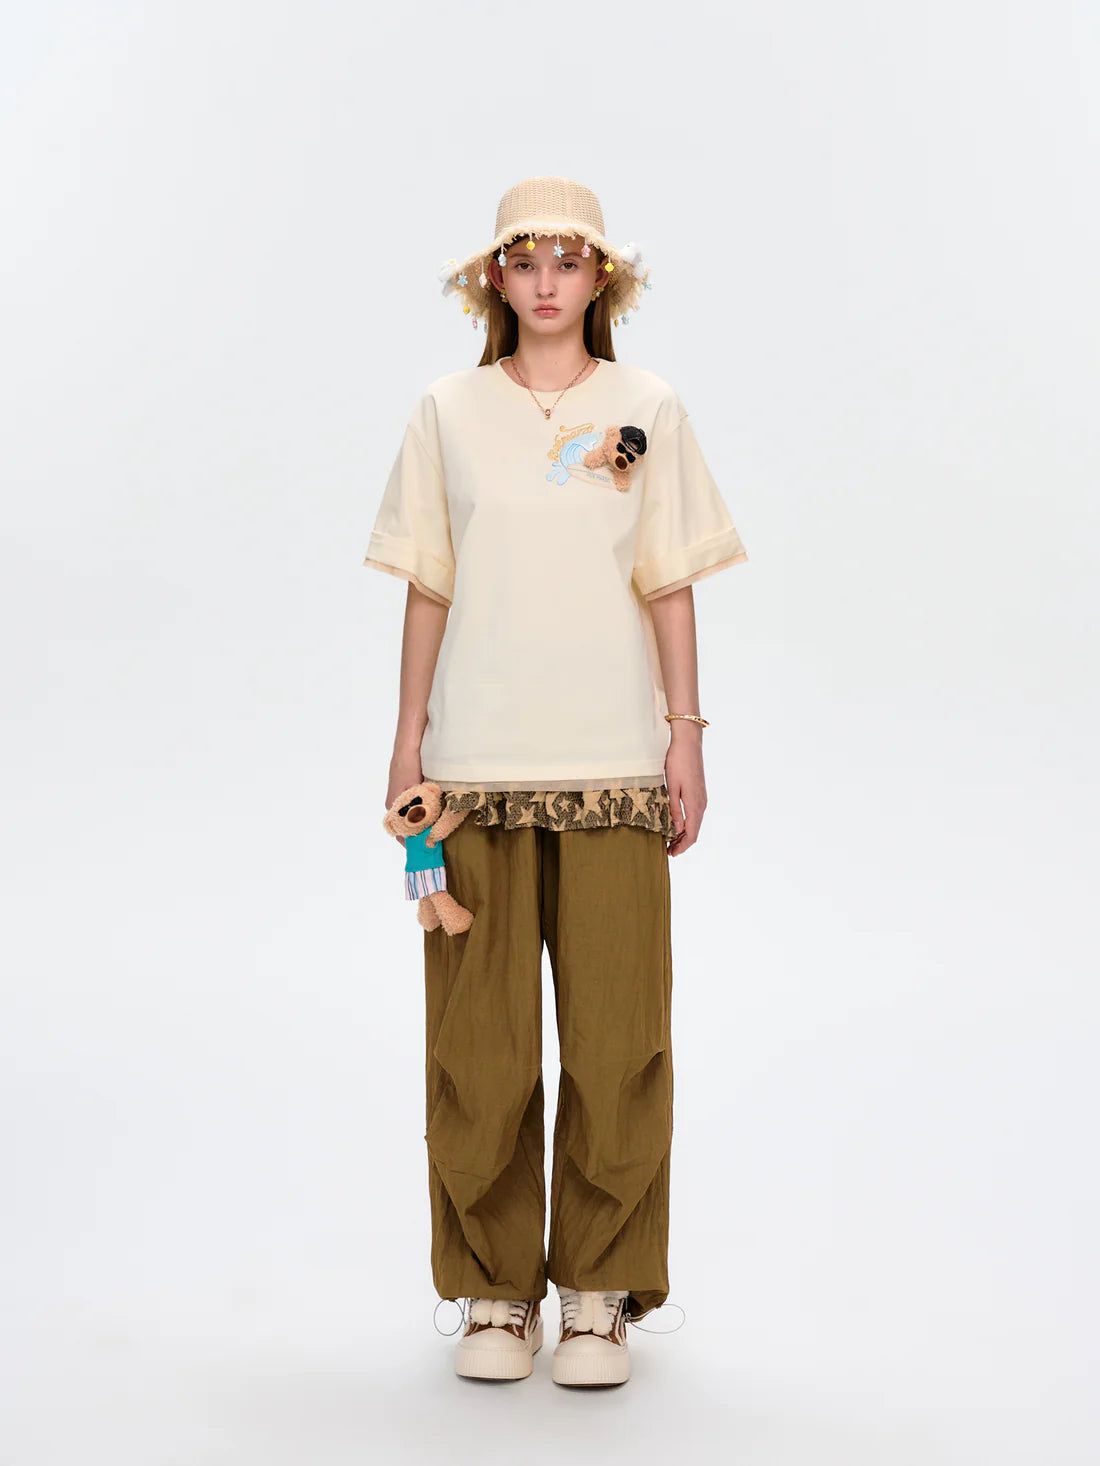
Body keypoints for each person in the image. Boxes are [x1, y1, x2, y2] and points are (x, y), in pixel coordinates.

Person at [362, 175, 748, 1387]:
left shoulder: (647, 406)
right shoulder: (444, 410)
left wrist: (684, 736)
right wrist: (406, 740)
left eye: (567, 261)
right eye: (523, 260)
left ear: (599, 279)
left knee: (617, 1037)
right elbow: (428, 581)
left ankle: (597, 1290)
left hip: (615, 765)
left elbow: (667, 581)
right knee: (477, 1046)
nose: (544, 281)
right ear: (494, 277)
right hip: (473, 771)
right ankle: (493, 1290)